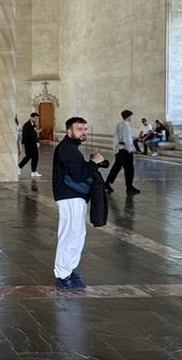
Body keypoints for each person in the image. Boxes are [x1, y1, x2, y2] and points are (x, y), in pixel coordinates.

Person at [52, 116, 106, 290]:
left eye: (85, 129)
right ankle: (62, 274)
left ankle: (69, 269)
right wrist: (93, 163)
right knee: (69, 235)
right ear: (69, 131)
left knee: (77, 235)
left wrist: (93, 163)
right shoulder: (67, 148)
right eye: (79, 129)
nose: (84, 132)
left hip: (75, 197)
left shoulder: (72, 148)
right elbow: (79, 175)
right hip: (69, 196)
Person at [105, 110, 141, 194]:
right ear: (128, 116)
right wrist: (130, 150)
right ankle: (129, 187)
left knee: (116, 168)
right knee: (129, 169)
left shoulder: (119, 124)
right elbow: (127, 139)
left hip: (120, 149)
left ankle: (107, 183)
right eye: (131, 116)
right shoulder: (125, 126)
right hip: (125, 151)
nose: (132, 118)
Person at [18, 113, 41, 177]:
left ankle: (34, 171)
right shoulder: (26, 125)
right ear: (31, 117)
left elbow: (35, 134)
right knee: (28, 157)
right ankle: (19, 167)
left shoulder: (34, 125)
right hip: (28, 144)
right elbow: (26, 134)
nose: (36, 120)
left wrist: (37, 141)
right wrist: (35, 132)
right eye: (35, 118)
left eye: (37, 118)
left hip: (34, 144)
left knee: (35, 157)